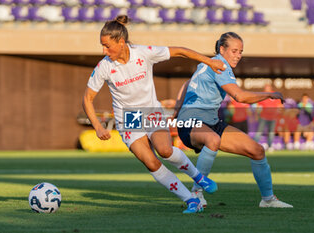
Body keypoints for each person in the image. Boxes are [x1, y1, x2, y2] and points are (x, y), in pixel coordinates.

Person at [82, 15, 226, 214]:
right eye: (102, 46)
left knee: (165, 150)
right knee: (151, 162)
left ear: (121, 42)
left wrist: (209, 62)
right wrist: (97, 126)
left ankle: (198, 176)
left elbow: (180, 52)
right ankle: (190, 200)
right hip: (128, 118)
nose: (104, 51)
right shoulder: (104, 66)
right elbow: (87, 98)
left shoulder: (143, 53)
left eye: (107, 46)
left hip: (150, 111)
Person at [174, 32, 293, 208]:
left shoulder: (207, 63)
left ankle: (268, 200)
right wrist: (270, 94)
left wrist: (176, 109)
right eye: (234, 51)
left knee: (257, 151)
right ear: (222, 49)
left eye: (241, 52)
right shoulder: (219, 65)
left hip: (211, 123)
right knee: (212, 140)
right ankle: (196, 193)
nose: (238, 56)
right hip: (190, 122)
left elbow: (187, 83)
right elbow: (239, 96)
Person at [253, 84, 281, 152]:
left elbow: (279, 105)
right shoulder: (263, 95)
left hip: (273, 117)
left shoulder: (275, 95)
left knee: (271, 132)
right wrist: (256, 115)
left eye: (268, 87)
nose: (266, 89)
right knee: (259, 132)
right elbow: (258, 106)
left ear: (270, 88)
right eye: (265, 87)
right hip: (263, 117)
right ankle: (254, 146)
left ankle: (270, 146)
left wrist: (279, 114)